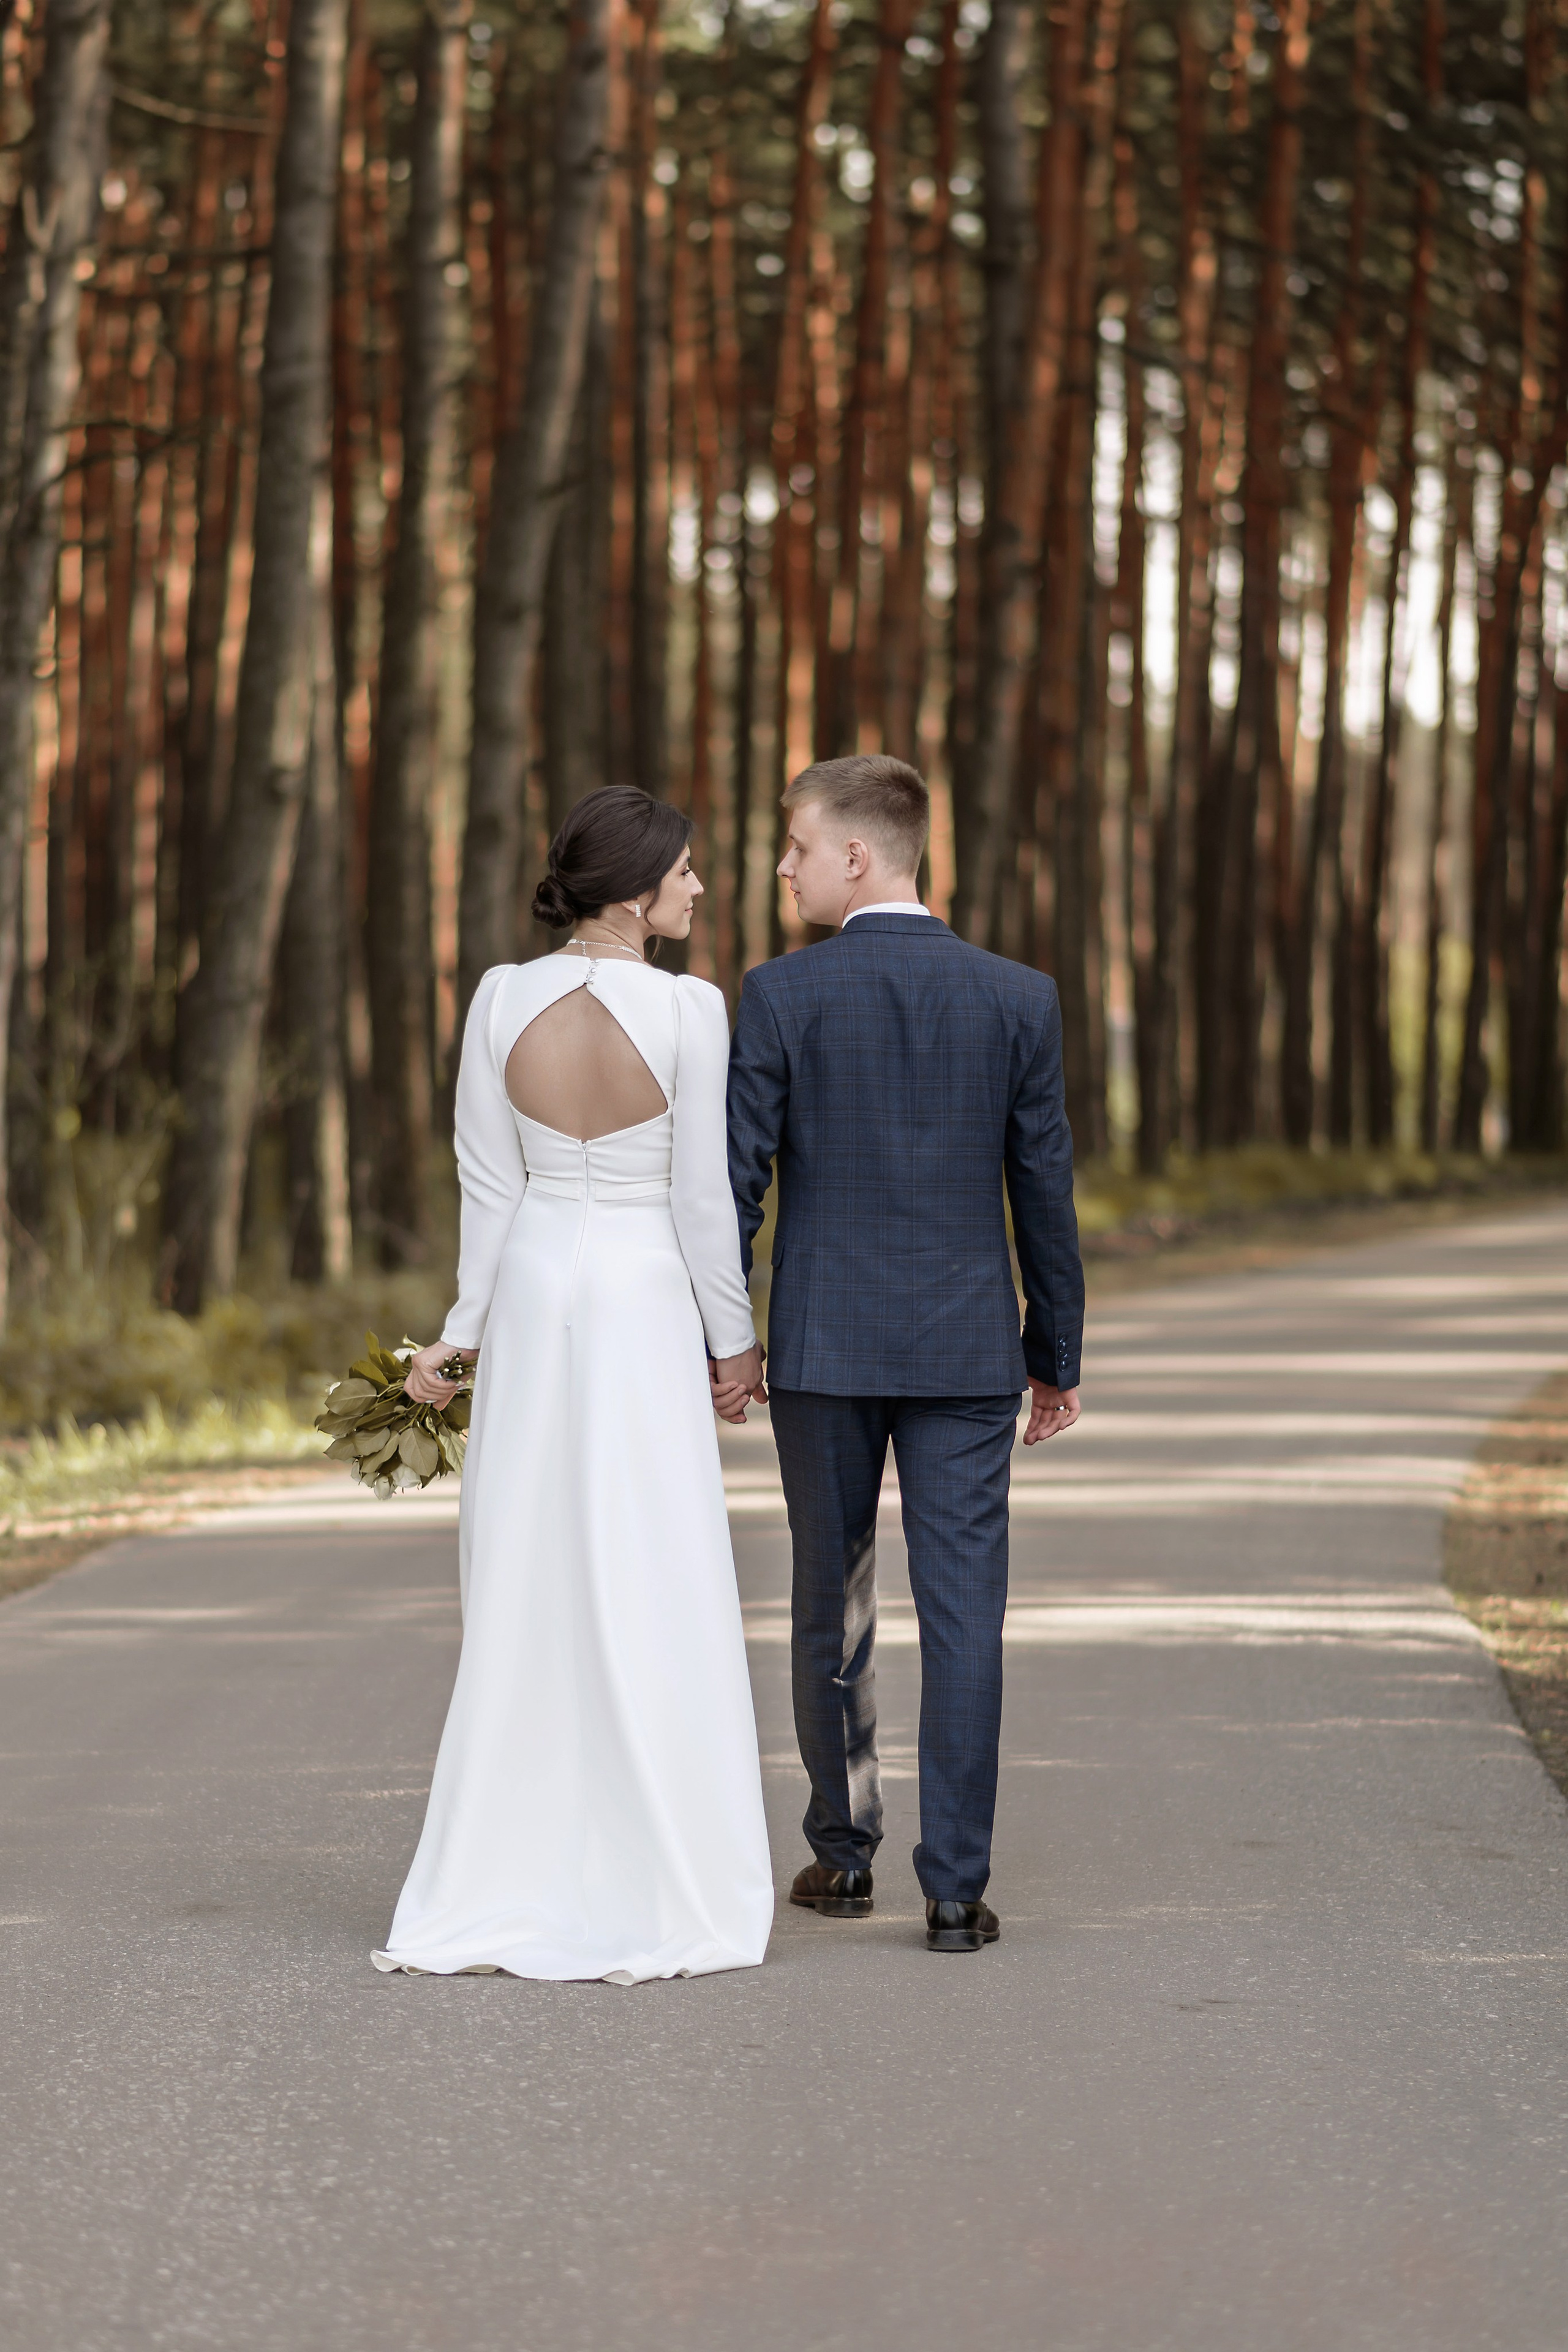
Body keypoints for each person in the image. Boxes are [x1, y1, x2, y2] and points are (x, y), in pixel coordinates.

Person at [374, 786, 773, 1985]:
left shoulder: (499, 998)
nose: (699, 890)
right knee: (650, 1558)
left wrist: (455, 1339)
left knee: (527, 1563)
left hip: (539, 1288)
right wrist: (733, 1340)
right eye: (687, 872)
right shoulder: (693, 1010)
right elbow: (703, 1199)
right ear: (636, 888)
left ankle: (502, 1868)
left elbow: (485, 1190)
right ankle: (659, 1872)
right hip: (644, 1292)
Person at [726, 754, 1084, 1955]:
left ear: (856, 857)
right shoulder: (1016, 997)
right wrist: (1054, 1351)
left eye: (795, 847)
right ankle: (955, 1890)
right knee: (963, 1611)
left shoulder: (778, 997)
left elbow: (737, 1189)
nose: (781, 866)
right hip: (969, 1354)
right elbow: (1042, 1189)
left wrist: (723, 1339)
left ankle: (843, 1855)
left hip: (823, 1351)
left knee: (830, 1603)